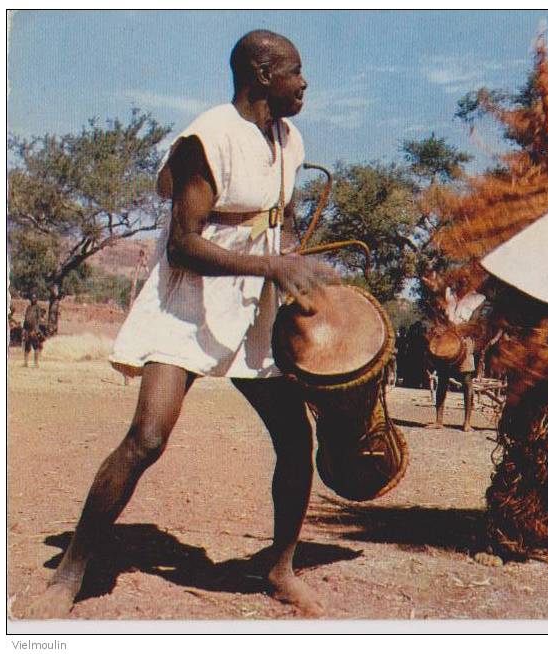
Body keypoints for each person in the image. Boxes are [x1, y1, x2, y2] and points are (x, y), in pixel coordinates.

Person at [27, 30, 332, 619]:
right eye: (295, 71)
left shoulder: (291, 140)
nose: (304, 82)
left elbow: (279, 221)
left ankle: (280, 567)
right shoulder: (207, 138)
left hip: (253, 307)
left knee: (296, 440)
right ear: (263, 74)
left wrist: (292, 267)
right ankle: (71, 573)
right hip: (188, 303)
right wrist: (270, 263)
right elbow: (184, 244)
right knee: (147, 438)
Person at [426, 282, 486, 432]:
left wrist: (457, 330)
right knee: (442, 379)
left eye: (466, 278)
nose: (462, 281)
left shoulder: (478, 299)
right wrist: (441, 327)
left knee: (466, 380)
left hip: (465, 341)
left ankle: (467, 422)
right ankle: (438, 421)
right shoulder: (448, 295)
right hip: (447, 341)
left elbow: (473, 323)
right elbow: (439, 314)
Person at [22, 294, 45, 368]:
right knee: (26, 347)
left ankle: (36, 363)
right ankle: (25, 362)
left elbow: (38, 320)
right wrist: (24, 329)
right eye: (32, 298)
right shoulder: (28, 308)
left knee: (36, 346)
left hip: (33, 330)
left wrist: (36, 330)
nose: (33, 299)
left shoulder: (37, 308)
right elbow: (26, 319)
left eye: (34, 298)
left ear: (36, 299)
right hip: (27, 330)